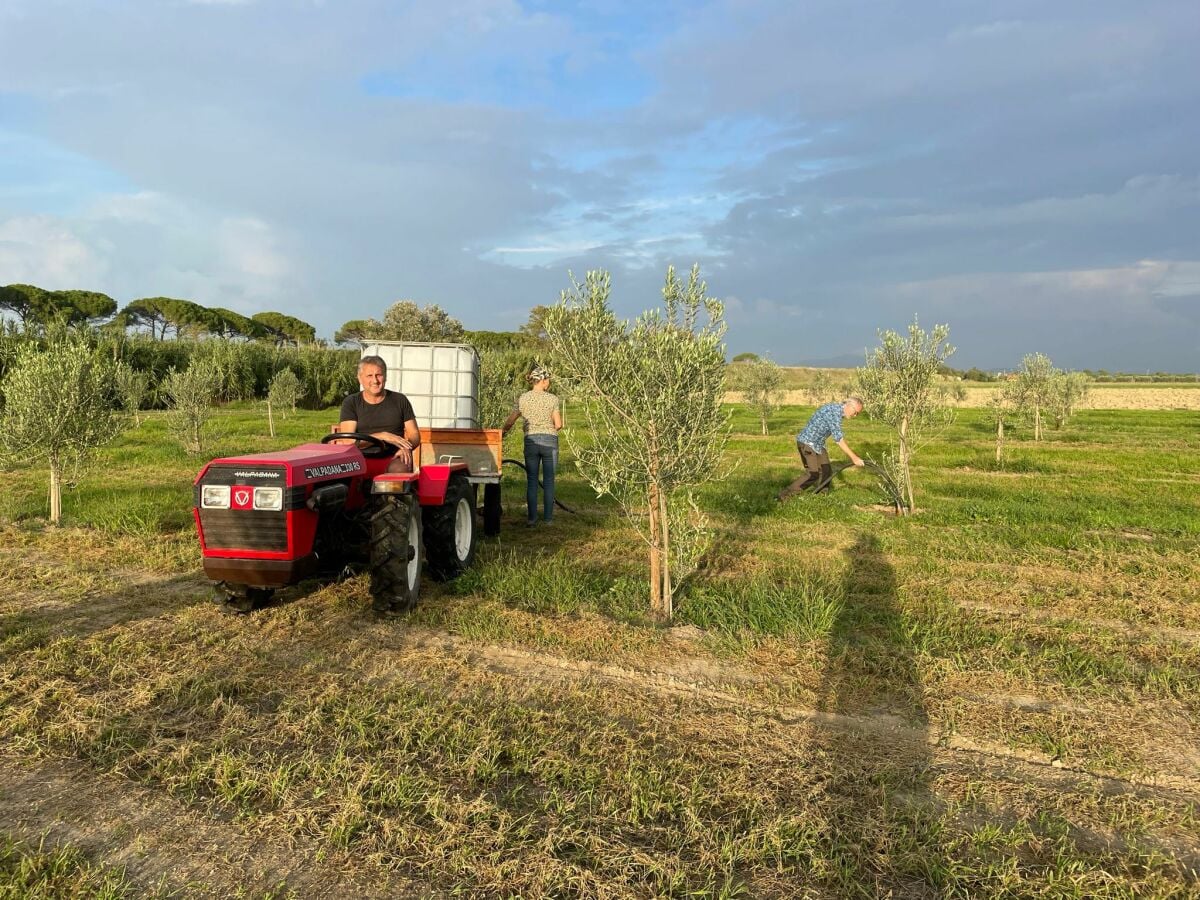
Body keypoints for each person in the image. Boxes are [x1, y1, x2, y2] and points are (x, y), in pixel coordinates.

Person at [337, 355, 421, 473]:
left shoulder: (400, 400)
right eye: (369, 376)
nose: (375, 381)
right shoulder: (351, 402)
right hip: (359, 459)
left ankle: (395, 490)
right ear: (360, 378)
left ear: (385, 377)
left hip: (393, 457)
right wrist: (382, 436)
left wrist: (407, 447)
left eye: (379, 375)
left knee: (399, 469)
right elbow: (349, 442)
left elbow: (414, 435)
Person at [501, 366, 562, 526]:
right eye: (548, 380)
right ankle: (548, 520)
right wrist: (548, 429)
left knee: (532, 480)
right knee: (549, 481)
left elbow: (510, 421)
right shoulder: (553, 399)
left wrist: (502, 433)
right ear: (542, 381)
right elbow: (559, 424)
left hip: (531, 441)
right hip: (550, 441)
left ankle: (532, 519)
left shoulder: (523, 398)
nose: (549, 383)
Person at [778, 397, 865, 500]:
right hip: (807, 442)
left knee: (826, 471)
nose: (855, 416)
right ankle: (784, 495)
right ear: (849, 406)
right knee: (812, 473)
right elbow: (839, 439)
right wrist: (854, 458)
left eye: (857, 414)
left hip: (818, 444)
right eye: (855, 412)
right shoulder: (834, 412)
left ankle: (821, 496)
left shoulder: (838, 411)